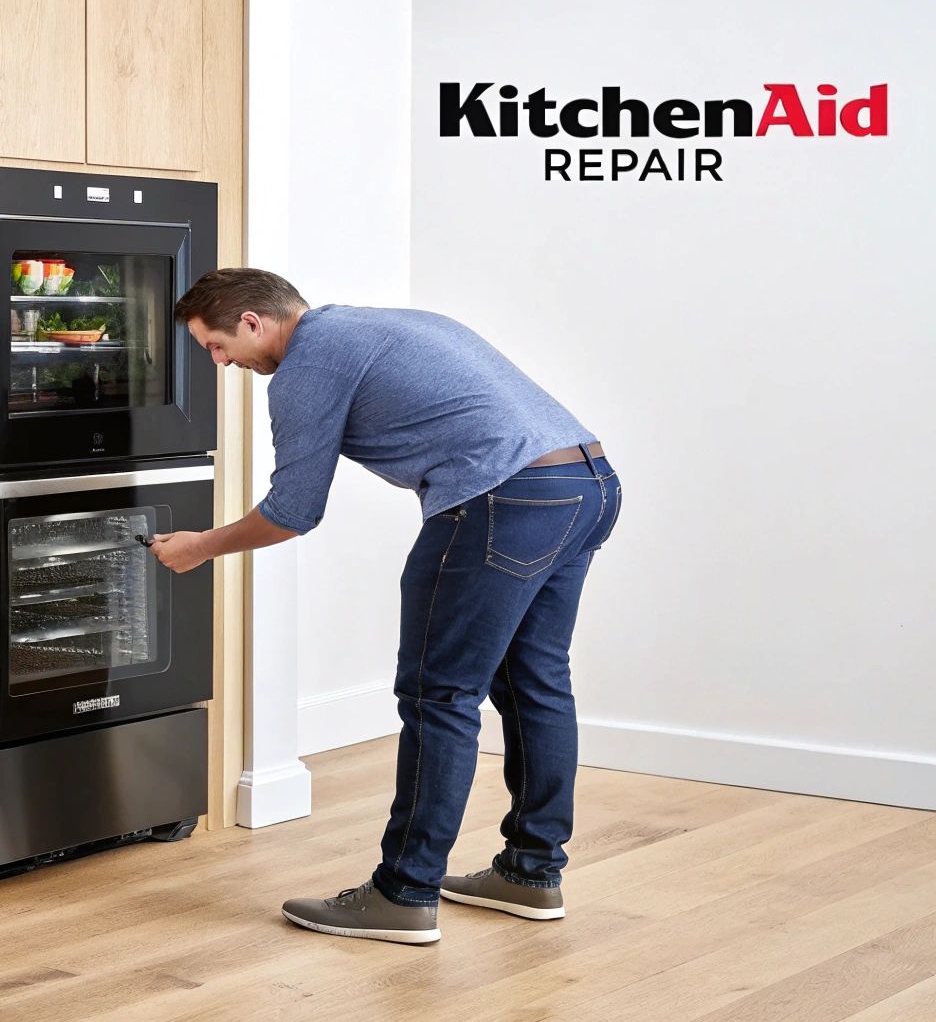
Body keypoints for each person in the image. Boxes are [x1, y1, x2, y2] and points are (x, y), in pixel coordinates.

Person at [148, 268, 622, 945]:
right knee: (534, 682)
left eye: (217, 346)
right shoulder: (377, 324)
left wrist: (202, 546)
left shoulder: (307, 364)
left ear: (253, 321)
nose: (221, 364)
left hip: (505, 499)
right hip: (586, 483)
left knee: (439, 695)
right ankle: (531, 872)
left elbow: (293, 511)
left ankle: (404, 891)